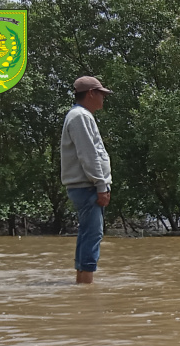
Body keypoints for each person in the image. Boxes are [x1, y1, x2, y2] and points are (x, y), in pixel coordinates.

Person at [60, 76, 113, 284]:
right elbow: (88, 154)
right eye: (101, 93)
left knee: (87, 234)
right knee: (92, 235)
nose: (104, 98)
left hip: (85, 186)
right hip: (88, 187)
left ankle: (82, 284)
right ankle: (86, 285)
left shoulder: (79, 115)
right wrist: (101, 185)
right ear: (91, 93)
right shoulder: (80, 116)